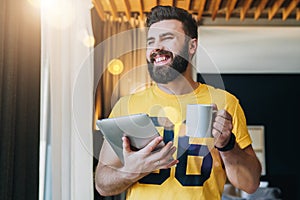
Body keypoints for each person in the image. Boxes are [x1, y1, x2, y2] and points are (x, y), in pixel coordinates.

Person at [95, 5, 262, 200]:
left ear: (191, 46)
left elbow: (250, 184)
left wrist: (227, 145)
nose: (156, 47)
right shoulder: (127, 105)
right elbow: (102, 184)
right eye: (151, 41)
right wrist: (132, 170)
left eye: (167, 38)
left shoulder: (225, 102)